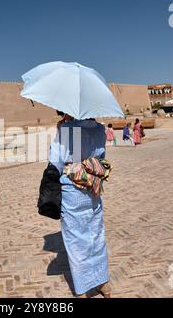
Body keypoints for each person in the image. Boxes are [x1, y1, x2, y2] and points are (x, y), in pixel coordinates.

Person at [49, 117, 112, 298]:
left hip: (72, 190)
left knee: (76, 240)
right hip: (92, 188)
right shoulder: (99, 129)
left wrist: (60, 132)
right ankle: (103, 283)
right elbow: (101, 158)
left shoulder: (68, 129)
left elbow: (55, 161)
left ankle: (83, 289)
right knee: (96, 236)